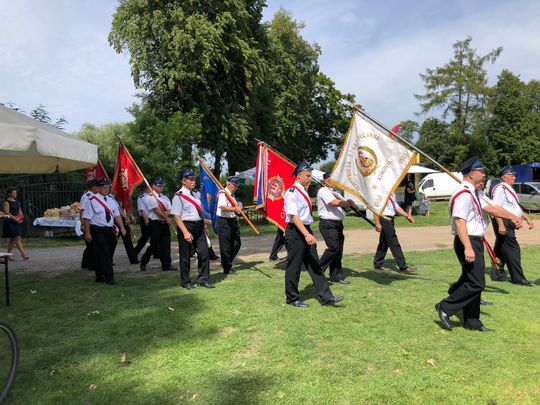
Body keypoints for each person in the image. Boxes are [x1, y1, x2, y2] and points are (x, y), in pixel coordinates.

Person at [435, 158, 522, 332]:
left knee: (471, 280)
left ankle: (472, 321)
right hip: (467, 240)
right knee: (477, 283)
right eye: (481, 171)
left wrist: (512, 216)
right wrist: (468, 247)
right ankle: (445, 306)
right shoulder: (464, 194)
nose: (483, 174)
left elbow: (493, 208)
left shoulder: (474, 192)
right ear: (471, 173)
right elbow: (460, 221)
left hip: (475, 240)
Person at [283, 162, 344, 307]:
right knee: (294, 266)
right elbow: (294, 217)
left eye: (310, 176)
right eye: (308, 176)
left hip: (305, 230)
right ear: (299, 176)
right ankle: (292, 298)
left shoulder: (303, 191)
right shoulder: (292, 192)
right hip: (296, 232)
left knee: (315, 265)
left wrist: (308, 233)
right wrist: (306, 235)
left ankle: (326, 297)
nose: (310, 178)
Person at [491, 167, 535, 286]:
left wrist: (527, 218)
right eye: (511, 175)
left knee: (500, 249)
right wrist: (501, 224)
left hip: (508, 221)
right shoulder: (500, 189)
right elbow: (495, 208)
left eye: (514, 175)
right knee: (513, 249)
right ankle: (518, 278)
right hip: (503, 222)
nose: (514, 178)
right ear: (503, 177)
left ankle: (497, 274)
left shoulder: (508, 188)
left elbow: (515, 206)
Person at [171, 170, 215, 289]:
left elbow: (199, 212)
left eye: (194, 179)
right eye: (190, 180)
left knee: (204, 253)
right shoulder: (178, 196)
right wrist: (185, 232)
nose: (193, 182)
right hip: (186, 226)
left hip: (199, 226)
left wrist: (204, 226)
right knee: (185, 256)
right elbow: (176, 216)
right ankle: (186, 282)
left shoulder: (196, 194)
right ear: (183, 181)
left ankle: (203, 279)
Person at [82, 179, 126, 285]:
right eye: (103, 188)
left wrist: (122, 227)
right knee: (104, 252)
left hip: (109, 229)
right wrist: (87, 233)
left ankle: (99, 275)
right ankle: (109, 277)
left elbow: (117, 215)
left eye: (107, 188)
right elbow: (87, 218)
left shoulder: (111, 200)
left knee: (107, 252)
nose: (106, 190)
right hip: (97, 229)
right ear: (98, 188)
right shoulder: (91, 200)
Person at [316, 172, 357, 284]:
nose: (336, 182)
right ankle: (318, 272)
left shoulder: (336, 193)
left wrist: (352, 204)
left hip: (338, 224)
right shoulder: (323, 191)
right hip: (328, 224)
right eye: (333, 179)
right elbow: (334, 203)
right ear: (326, 181)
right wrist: (347, 203)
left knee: (338, 250)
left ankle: (336, 275)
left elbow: (345, 206)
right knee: (333, 248)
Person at [373, 194, 416, 274]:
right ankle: (403, 267)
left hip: (390, 219)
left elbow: (396, 207)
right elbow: (375, 209)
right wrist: (377, 223)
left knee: (384, 242)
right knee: (394, 242)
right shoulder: (380, 195)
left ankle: (378, 264)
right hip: (384, 219)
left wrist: (407, 216)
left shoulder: (390, 194)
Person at [140, 178, 172, 271]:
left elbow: (169, 208)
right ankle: (144, 262)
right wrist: (166, 217)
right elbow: (156, 210)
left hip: (164, 224)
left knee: (166, 245)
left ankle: (166, 265)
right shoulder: (150, 197)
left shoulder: (165, 197)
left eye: (162, 186)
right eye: (159, 186)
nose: (161, 187)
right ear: (153, 186)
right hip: (155, 224)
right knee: (154, 245)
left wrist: (166, 214)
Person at [216, 176, 243, 275]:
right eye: (235, 186)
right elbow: (223, 207)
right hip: (224, 221)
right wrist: (235, 209)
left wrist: (236, 218)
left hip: (232, 220)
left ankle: (227, 262)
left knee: (237, 243)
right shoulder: (223, 193)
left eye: (237, 187)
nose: (236, 188)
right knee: (225, 246)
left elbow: (235, 208)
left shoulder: (232, 195)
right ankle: (226, 267)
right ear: (229, 184)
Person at [2, 187, 29, 261]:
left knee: (12, 239)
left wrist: (21, 218)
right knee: (17, 237)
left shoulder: (17, 202)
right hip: (10, 222)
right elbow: (7, 212)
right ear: (9, 194)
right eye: (13, 193)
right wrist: (15, 219)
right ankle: (23, 254)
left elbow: (20, 211)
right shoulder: (6, 202)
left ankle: (8, 255)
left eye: (15, 192)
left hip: (17, 222)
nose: (15, 194)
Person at [79, 180, 98, 269]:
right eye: (97, 186)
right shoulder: (86, 196)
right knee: (91, 245)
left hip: (93, 223)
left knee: (92, 245)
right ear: (93, 187)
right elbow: (82, 210)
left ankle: (86, 263)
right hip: (88, 223)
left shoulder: (95, 196)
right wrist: (82, 224)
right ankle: (90, 264)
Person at [134, 185, 153, 256]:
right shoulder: (141, 197)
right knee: (145, 237)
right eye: (149, 187)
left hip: (153, 218)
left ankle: (155, 252)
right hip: (145, 218)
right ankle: (135, 252)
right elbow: (142, 210)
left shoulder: (153, 196)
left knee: (155, 236)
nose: (151, 188)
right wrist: (146, 220)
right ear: (145, 188)